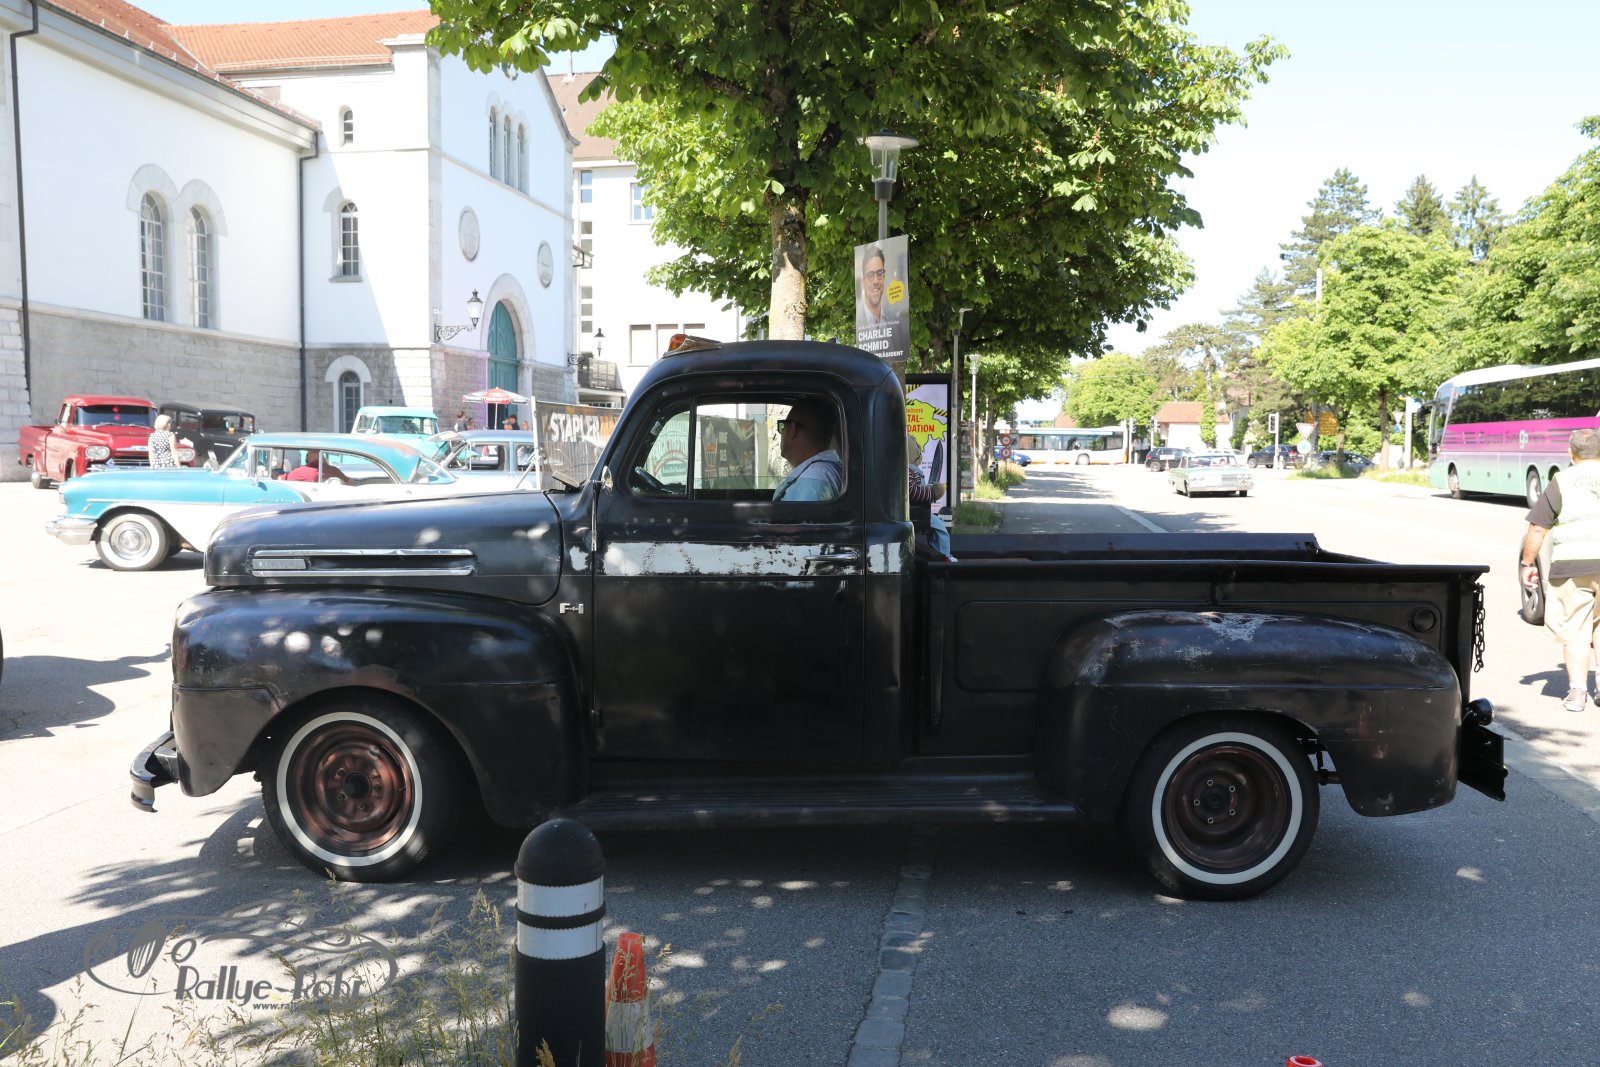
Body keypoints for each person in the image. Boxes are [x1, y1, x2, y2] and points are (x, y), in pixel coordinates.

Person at [1522, 427, 1600, 711]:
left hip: (1572, 568)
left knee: (1576, 631)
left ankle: (1577, 693)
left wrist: (1528, 563)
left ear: (1571, 453)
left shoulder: (1562, 481)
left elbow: (1537, 528)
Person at [772, 398, 843, 501]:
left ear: (792, 429)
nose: (781, 432)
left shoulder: (815, 476)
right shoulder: (816, 473)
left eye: (782, 427)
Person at [906, 434, 953, 559]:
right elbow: (912, 491)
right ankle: (944, 556)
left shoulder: (909, 470)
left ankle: (936, 554)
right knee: (940, 528)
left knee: (937, 526)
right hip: (915, 512)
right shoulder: (908, 471)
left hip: (916, 511)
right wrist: (931, 493)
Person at [855, 245, 887, 331]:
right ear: (863, 282)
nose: (876, 281)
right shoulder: (857, 323)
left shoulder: (896, 320)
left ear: (884, 277)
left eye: (879, 273)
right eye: (870, 275)